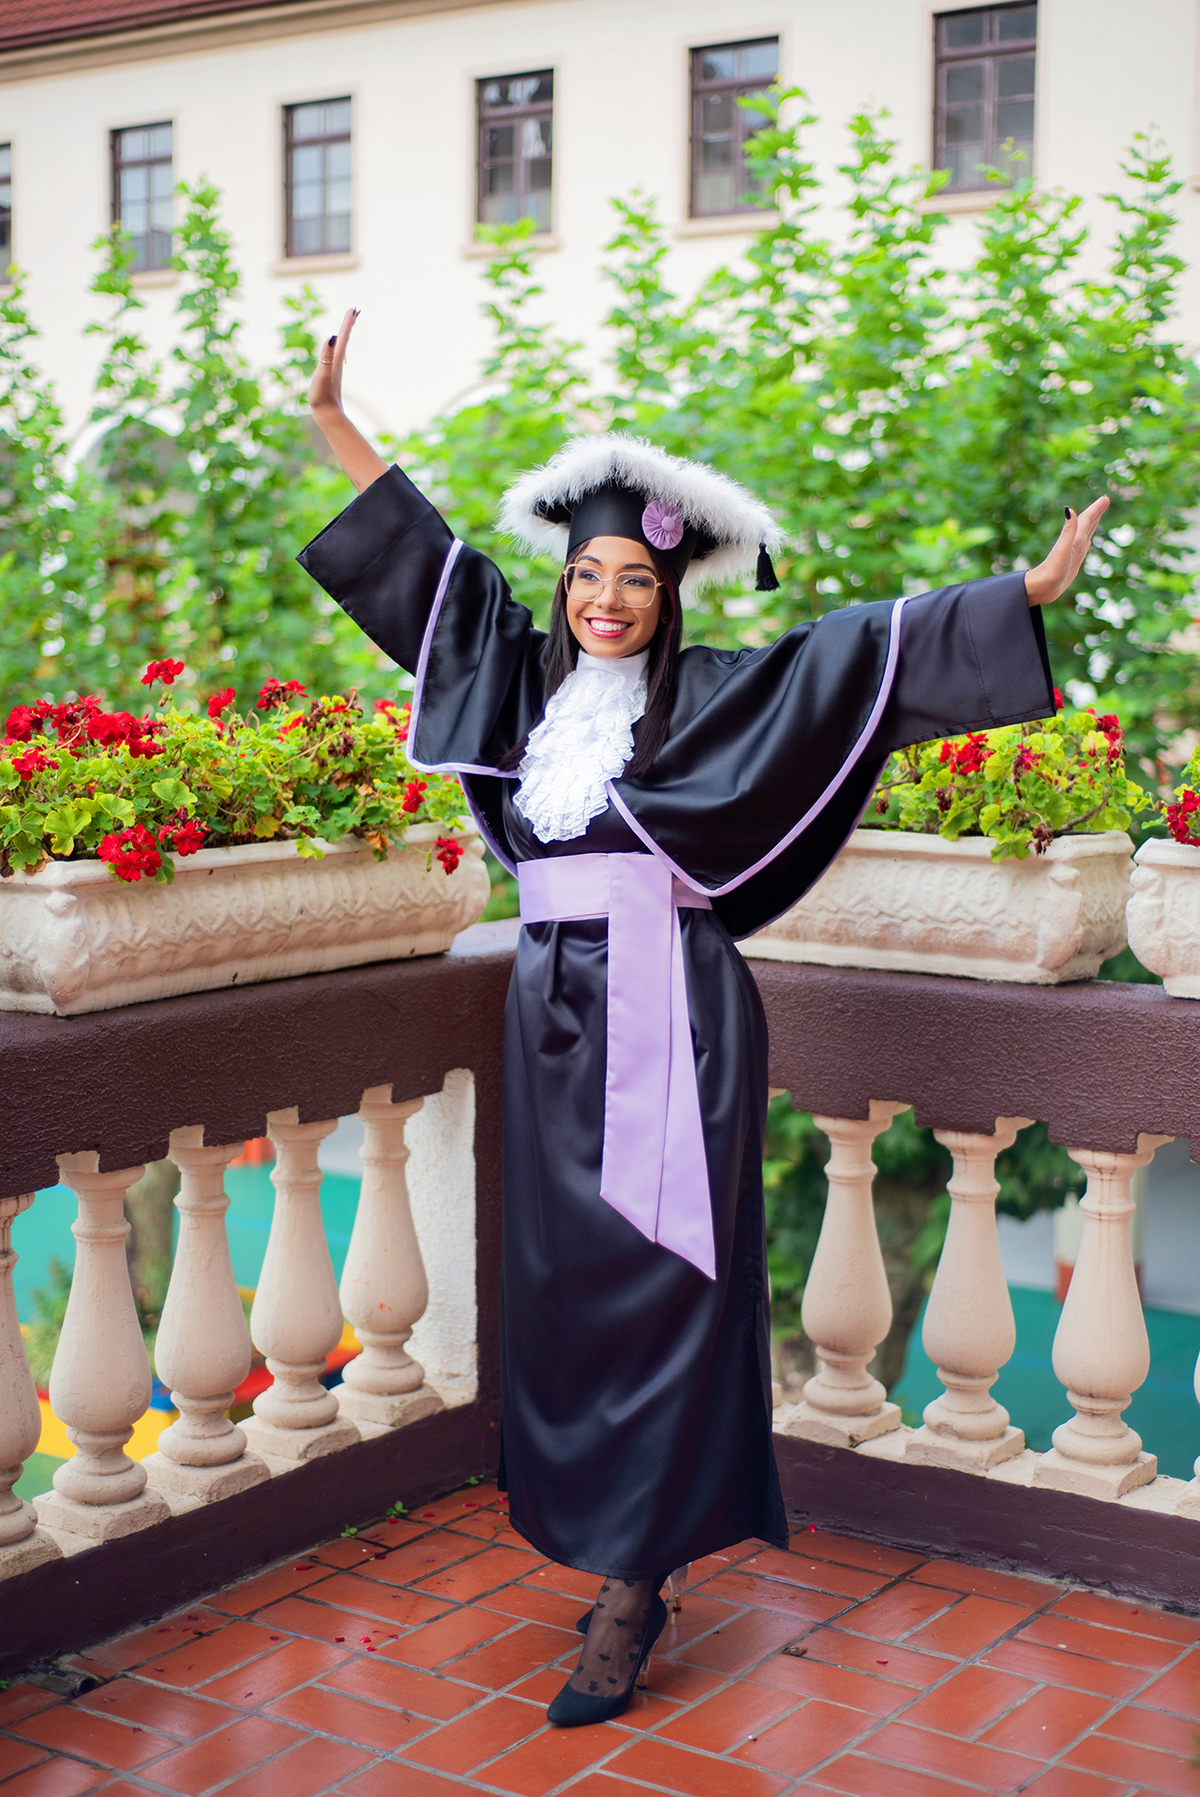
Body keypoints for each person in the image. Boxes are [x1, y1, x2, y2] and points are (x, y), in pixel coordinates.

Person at [300, 309, 1108, 1728]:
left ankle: (637, 1580)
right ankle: (603, 1532)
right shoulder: (523, 682)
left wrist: (1023, 591)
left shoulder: (720, 698)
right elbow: (420, 568)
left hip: (673, 1010)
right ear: (565, 584)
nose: (608, 598)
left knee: (670, 1281)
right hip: (549, 1012)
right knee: (566, 1292)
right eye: (590, 574)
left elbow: (863, 662)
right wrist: (333, 423)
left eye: (635, 580)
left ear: (670, 595)